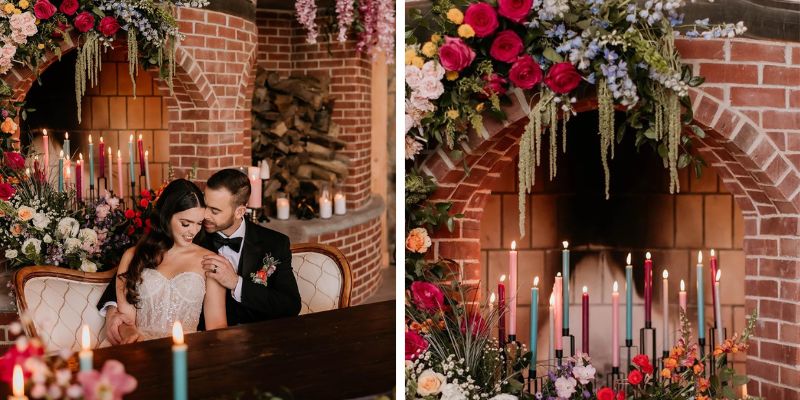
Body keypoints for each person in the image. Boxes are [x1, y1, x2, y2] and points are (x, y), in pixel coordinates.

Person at [98, 169, 301, 344]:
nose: (204, 217)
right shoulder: (193, 235)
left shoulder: (274, 244)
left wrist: (236, 283)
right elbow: (132, 274)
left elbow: (290, 305)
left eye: (214, 210)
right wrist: (114, 312)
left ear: (240, 211)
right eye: (205, 205)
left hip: (255, 340)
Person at [113, 179, 227, 341]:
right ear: (166, 216)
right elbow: (125, 319)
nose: (193, 231)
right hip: (141, 348)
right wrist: (128, 332)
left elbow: (217, 327)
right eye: (185, 223)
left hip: (186, 351)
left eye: (199, 223)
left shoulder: (210, 261)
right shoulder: (132, 256)